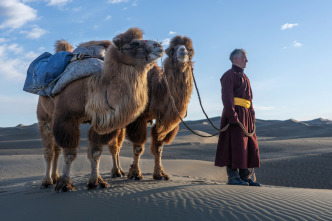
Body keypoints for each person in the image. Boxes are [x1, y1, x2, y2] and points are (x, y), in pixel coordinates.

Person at [215, 49, 261, 186]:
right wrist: (233, 116)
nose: (247, 61)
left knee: (247, 146)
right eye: (244, 58)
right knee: (235, 145)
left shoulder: (246, 78)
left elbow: (249, 100)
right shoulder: (228, 75)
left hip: (246, 116)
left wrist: (252, 115)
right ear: (236, 59)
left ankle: (244, 176)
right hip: (235, 115)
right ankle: (233, 177)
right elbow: (227, 98)